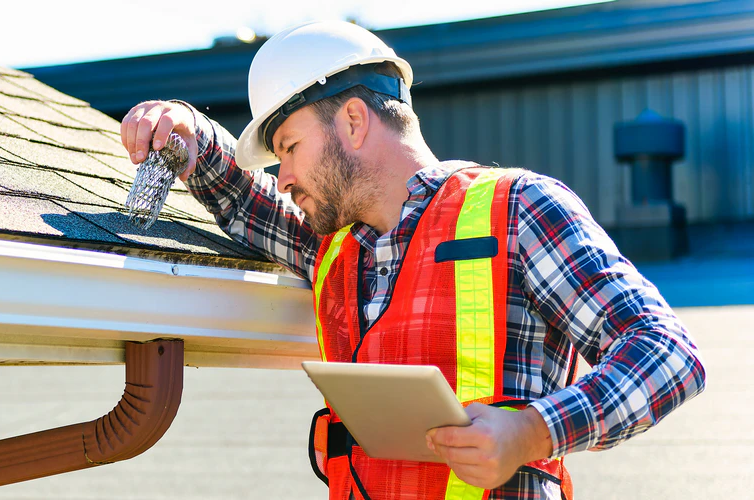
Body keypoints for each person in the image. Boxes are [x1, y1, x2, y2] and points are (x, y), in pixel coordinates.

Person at [118, 21, 706, 500]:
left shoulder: (520, 208)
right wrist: (186, 132)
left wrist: (533, 431)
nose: (285, 175)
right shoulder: (336, 249)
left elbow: (666, 352)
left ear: (352, 120)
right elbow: (247, 199)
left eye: (290, 148)